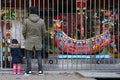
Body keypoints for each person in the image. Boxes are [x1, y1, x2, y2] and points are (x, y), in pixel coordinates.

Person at [22, 7, 46, 76]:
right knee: (39, 56)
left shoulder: (26, 21)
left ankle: (28, 71)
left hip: (29, 40)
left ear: (30, 12)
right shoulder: (41, 21)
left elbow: (23, 31)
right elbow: (44, 32)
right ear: (37, 12)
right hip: (38, 40)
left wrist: (26, 37)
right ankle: (40, 71)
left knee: (29, 56)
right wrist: (40, 37)